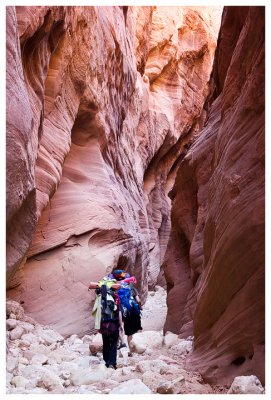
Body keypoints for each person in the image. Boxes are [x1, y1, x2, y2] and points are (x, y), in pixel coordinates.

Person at [89, 279, 123, 369]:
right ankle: (112, 363)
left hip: (104, 324)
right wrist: (121, 325)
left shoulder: (100, 297)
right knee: (114, 343)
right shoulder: (116, 297)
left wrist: (98, 325)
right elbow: (119, 311)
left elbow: (96, 312)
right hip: (114, 323)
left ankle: (107, 362)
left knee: (106, 343)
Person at [111, 270, 142, 356]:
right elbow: (138, 300)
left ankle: (121, 344)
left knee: (120, 327)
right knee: (129, 332)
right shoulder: (131, 289)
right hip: (130, 311)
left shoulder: (115, 288)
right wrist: (140, 307)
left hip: (120, 309)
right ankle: (130, 350)